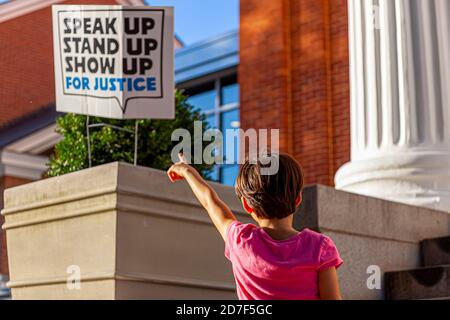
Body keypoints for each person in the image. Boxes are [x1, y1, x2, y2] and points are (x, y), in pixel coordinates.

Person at [167, 152, 343, 300]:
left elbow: (210, 202)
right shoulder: (320, 247)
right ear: (298, 199)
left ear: (247, 205)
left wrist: (187, 171)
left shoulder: (240, 241)